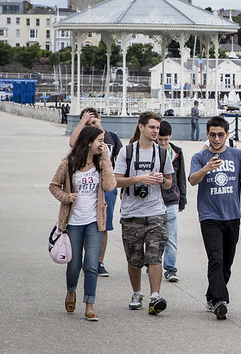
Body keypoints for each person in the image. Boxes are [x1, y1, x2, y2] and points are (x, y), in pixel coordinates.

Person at [188, 115, 241, 320]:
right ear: (207, 135)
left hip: (232, 216)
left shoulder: (238, 155)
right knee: (215, 258)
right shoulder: (199, 158)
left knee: (227, 262)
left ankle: (211, 295)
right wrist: (207, 168)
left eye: (220, 134)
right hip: (209, 217)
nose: (216, 139)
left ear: (227, 135)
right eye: (212, 135)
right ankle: (220, 301)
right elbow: (192, 180)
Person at [49, 125, 116, 321]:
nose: (102, 144)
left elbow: (110, 185)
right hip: (73, 221)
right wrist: (65, 196)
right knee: (74, 263)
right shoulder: (69, 163)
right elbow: (53, 186)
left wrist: (105, 159)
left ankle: (89, 304)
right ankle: (71, 290)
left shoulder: (101, 163)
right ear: (88, 142)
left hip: (95, 221)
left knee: (91, 264)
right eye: (99, 141)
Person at [113, 111, 174, 315]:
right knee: (134, 258)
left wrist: (160, 181)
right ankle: (137, 293)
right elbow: (115, 180)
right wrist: (138, 179)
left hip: (156, 211)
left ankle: (155, 296)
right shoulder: (127, 152)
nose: (156, 131)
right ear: (141, 127)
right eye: (152, 127)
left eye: (158, 128)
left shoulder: (163, 153)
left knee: (155, 254)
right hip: (131, 213)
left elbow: (169, 183)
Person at [69, 107, 123, 277]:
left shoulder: (112, 137)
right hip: (87, 187)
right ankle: (90, 259)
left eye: (95, 121)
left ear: (100, 118)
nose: (93, 125)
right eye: (89, 124)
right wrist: (82, 123)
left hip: (106, 187)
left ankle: (98, 261)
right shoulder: (85, 140)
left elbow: (121, 160)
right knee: (87, 224)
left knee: (103, 225)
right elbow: (72, 143)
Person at [157, 120, 187, 283]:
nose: (162, 143)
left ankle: (170, 268)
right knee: (155, 236)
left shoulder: (177, 152)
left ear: (170, 137)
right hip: (153, 201)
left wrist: (182, 200)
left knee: (171, 236)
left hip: (172, 199)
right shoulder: (151, 151)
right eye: (160, 139)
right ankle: (153, 264)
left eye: (166, 139)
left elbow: (181, 176)